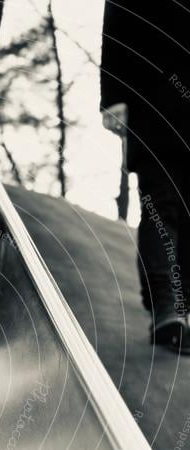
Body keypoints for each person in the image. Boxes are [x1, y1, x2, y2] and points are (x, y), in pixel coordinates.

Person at [100, 0, 190, 353]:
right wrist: (113, 96)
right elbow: (117, 27)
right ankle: (167, 308)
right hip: (152, 103)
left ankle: (180, 307)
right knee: (162, 202)